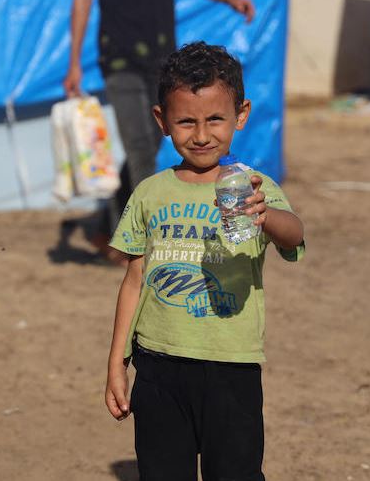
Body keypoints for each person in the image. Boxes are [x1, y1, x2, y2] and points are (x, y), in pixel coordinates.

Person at [104, 42, 305, 480]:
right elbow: (134, 280)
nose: (200, 135)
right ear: (162, 120)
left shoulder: (252, 185)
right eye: (185, 121)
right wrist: (117, 361)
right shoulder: (150, 193)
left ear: (241, 115)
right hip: (158, 365)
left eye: (215, 119)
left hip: (231, 366)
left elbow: (294, 235)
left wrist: (266, 216)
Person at [65, 0, 256, 260]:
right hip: (118, 58)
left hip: (162, 61)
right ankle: (147, 245)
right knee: (138, 146)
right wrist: (73, 63)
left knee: (153, 141)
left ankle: (107, 226)